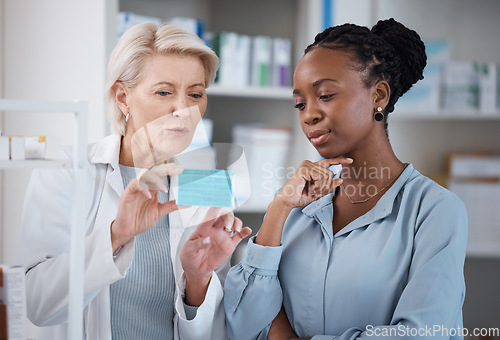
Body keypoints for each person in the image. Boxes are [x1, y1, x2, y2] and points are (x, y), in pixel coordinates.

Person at [224, 18, 468, 340]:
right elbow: (242, 325)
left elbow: (420, 334)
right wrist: (279, 208)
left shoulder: (434, 211)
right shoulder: (298, 206)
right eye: (300, 103)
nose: (309, 114)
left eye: (325, 95)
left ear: (378, 95)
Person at [17, 22, 251, 340]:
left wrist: (197, 282)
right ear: (123, 97)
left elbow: (211, 332)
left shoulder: (205, 185)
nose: (183, 109)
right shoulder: (68, 170)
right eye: (164, 92)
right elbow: (37, 304)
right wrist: (117, 235)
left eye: (195, 94)